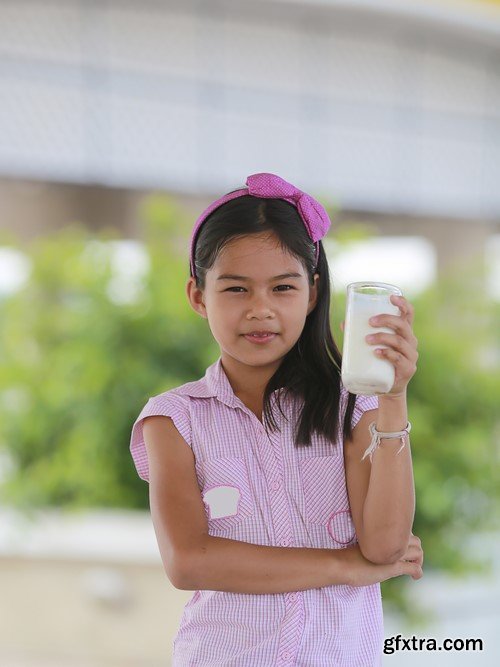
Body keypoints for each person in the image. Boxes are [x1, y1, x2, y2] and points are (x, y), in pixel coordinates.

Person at [129, 172, 423, 666]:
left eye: (282, 288)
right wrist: (342, 567)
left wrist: (393, 397)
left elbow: (384, 545)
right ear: (198, 296)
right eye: (237, 289)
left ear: (311, 295)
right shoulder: (173, 420)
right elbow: (189, 562)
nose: (260, 310)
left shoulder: (352, 409)